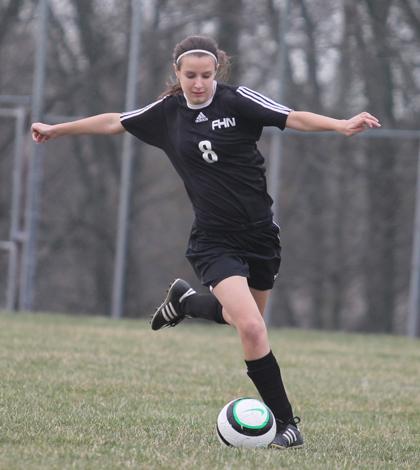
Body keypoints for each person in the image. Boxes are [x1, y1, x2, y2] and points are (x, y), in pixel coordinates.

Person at [31, 35, 380, 449]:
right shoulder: (167, 113)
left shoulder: (237, 101)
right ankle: (288, 425)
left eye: (207, 75)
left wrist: (340, 124)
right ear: (177, 74)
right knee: (251, 327)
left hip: (261, 235)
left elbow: (293, 116)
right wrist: (56, 129)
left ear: (218, 71)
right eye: (191, 75)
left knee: (247, 320)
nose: (199, 84)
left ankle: (187, 302)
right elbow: (113, 121)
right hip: (214, 240)